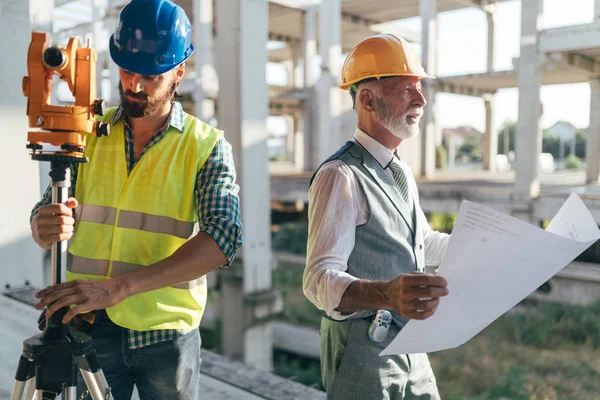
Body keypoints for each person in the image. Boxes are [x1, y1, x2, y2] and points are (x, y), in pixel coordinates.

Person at [30, 0, 242, 398]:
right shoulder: (87, 132)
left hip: (166, 337)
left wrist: (120, 287)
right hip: (87, 322)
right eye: (127, 70)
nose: (134, 85)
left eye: (150, 76)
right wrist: (43, 226)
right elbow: (44, 218)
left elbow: (224, 238)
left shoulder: (207, 146)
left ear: (179, 72)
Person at [303, 33, 450, 400]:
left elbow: (420, 241)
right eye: (406, 90)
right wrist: (387, 293)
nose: (421, 99)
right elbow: (317, 280)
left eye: (419, 88)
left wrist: (493, 245)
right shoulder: (340, 175)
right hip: (363, 351)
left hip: (410, 345)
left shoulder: (398, 168)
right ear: (367, 99)